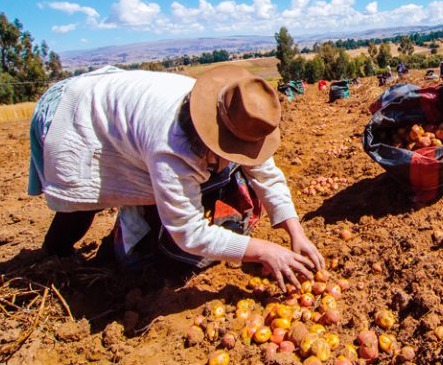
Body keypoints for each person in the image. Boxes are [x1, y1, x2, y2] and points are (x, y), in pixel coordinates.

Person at [28, 65, 325, 289]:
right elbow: (189, 232)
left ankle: (123, 237)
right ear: (213, 137)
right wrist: (264, 251)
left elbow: (266, 173)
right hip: (74, 114)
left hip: (121, 109)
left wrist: (295, 232)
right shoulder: (172, 146)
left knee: (206, 181)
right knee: (83, 203)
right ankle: (53, 258)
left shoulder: (239, 116)